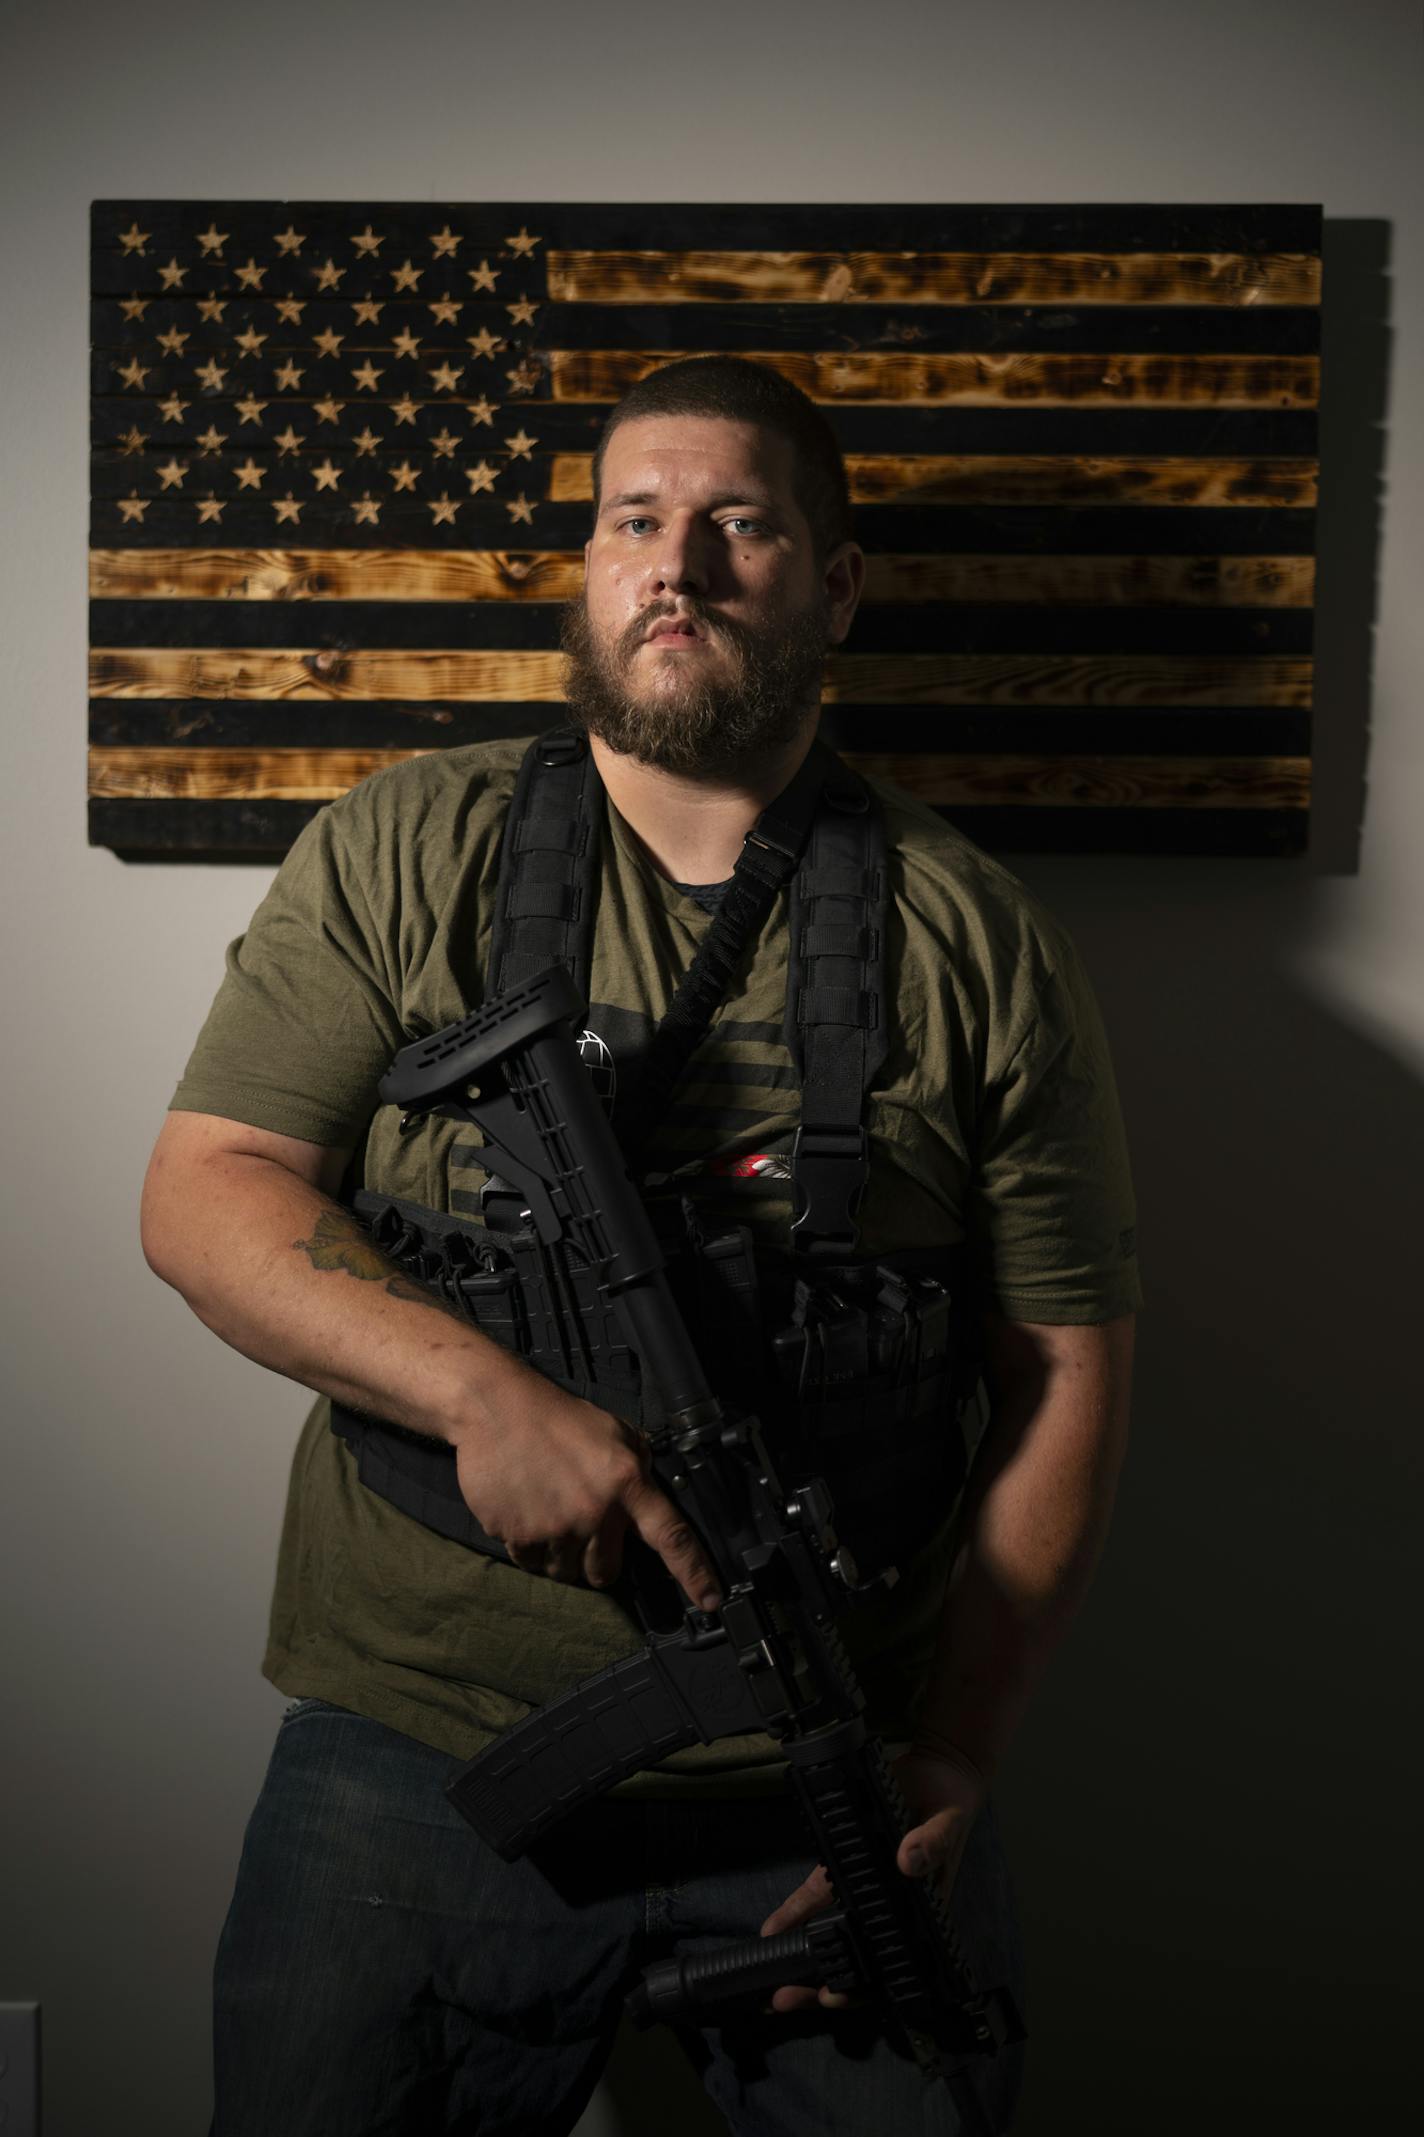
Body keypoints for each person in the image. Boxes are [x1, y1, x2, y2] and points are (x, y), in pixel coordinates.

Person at [142, 354, 1139, 2136]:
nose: (675, 562)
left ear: (834, 584)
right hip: (417, 1757)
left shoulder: (974, 937)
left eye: (739, 523)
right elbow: (208, 1189)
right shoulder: (403, 848)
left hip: (833, 1790)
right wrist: (482, 1392)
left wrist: (953, 1748)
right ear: (592, 566)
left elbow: (1064, 1368)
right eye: (633, 521)